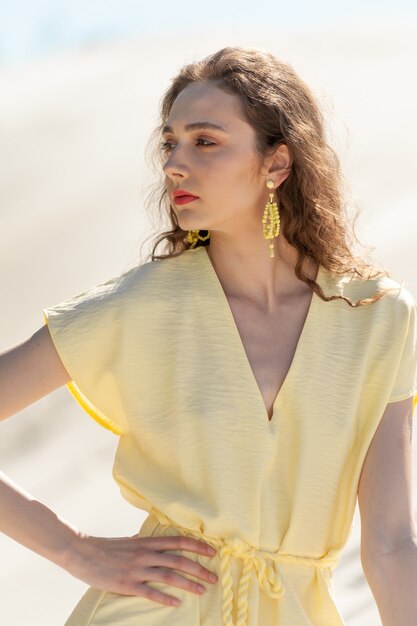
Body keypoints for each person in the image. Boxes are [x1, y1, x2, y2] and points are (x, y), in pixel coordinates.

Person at [1, 45, 416, 626]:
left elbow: (392, 544)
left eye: (205, 141)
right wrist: (74, 548)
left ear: (277, 164)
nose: (174, 162)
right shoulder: (141, 304)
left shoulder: (378, 319)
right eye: (170, 143)